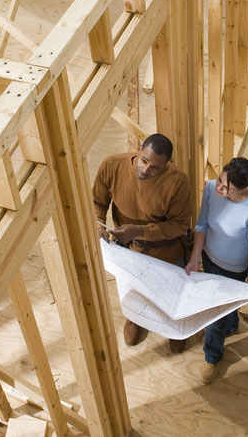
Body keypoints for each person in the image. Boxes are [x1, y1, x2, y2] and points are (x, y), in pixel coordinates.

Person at [93, 133, 193, 354]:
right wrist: (100, 226)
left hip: (165, 250)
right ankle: (136, 319)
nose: (146, 170)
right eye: (144, 161)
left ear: (166, 166)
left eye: (155, 168)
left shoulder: (178, 181)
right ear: (139, 149)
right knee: (132, 289)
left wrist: (139, 230)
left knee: (171, 295)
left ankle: (173, 327)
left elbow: (180, 225)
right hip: (127, 250)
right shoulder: (112, 165)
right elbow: (97, 202)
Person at [185, 157, 248, 383]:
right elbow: (202, 223)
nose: (219, 187)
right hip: (209, 259)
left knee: (218, 316)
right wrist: (194, 259)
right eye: (220, 179)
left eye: (226, 188)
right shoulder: (211, 188)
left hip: (235, 270)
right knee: (217, 314)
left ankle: (212, 357)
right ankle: (226, 331)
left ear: (241, 189)